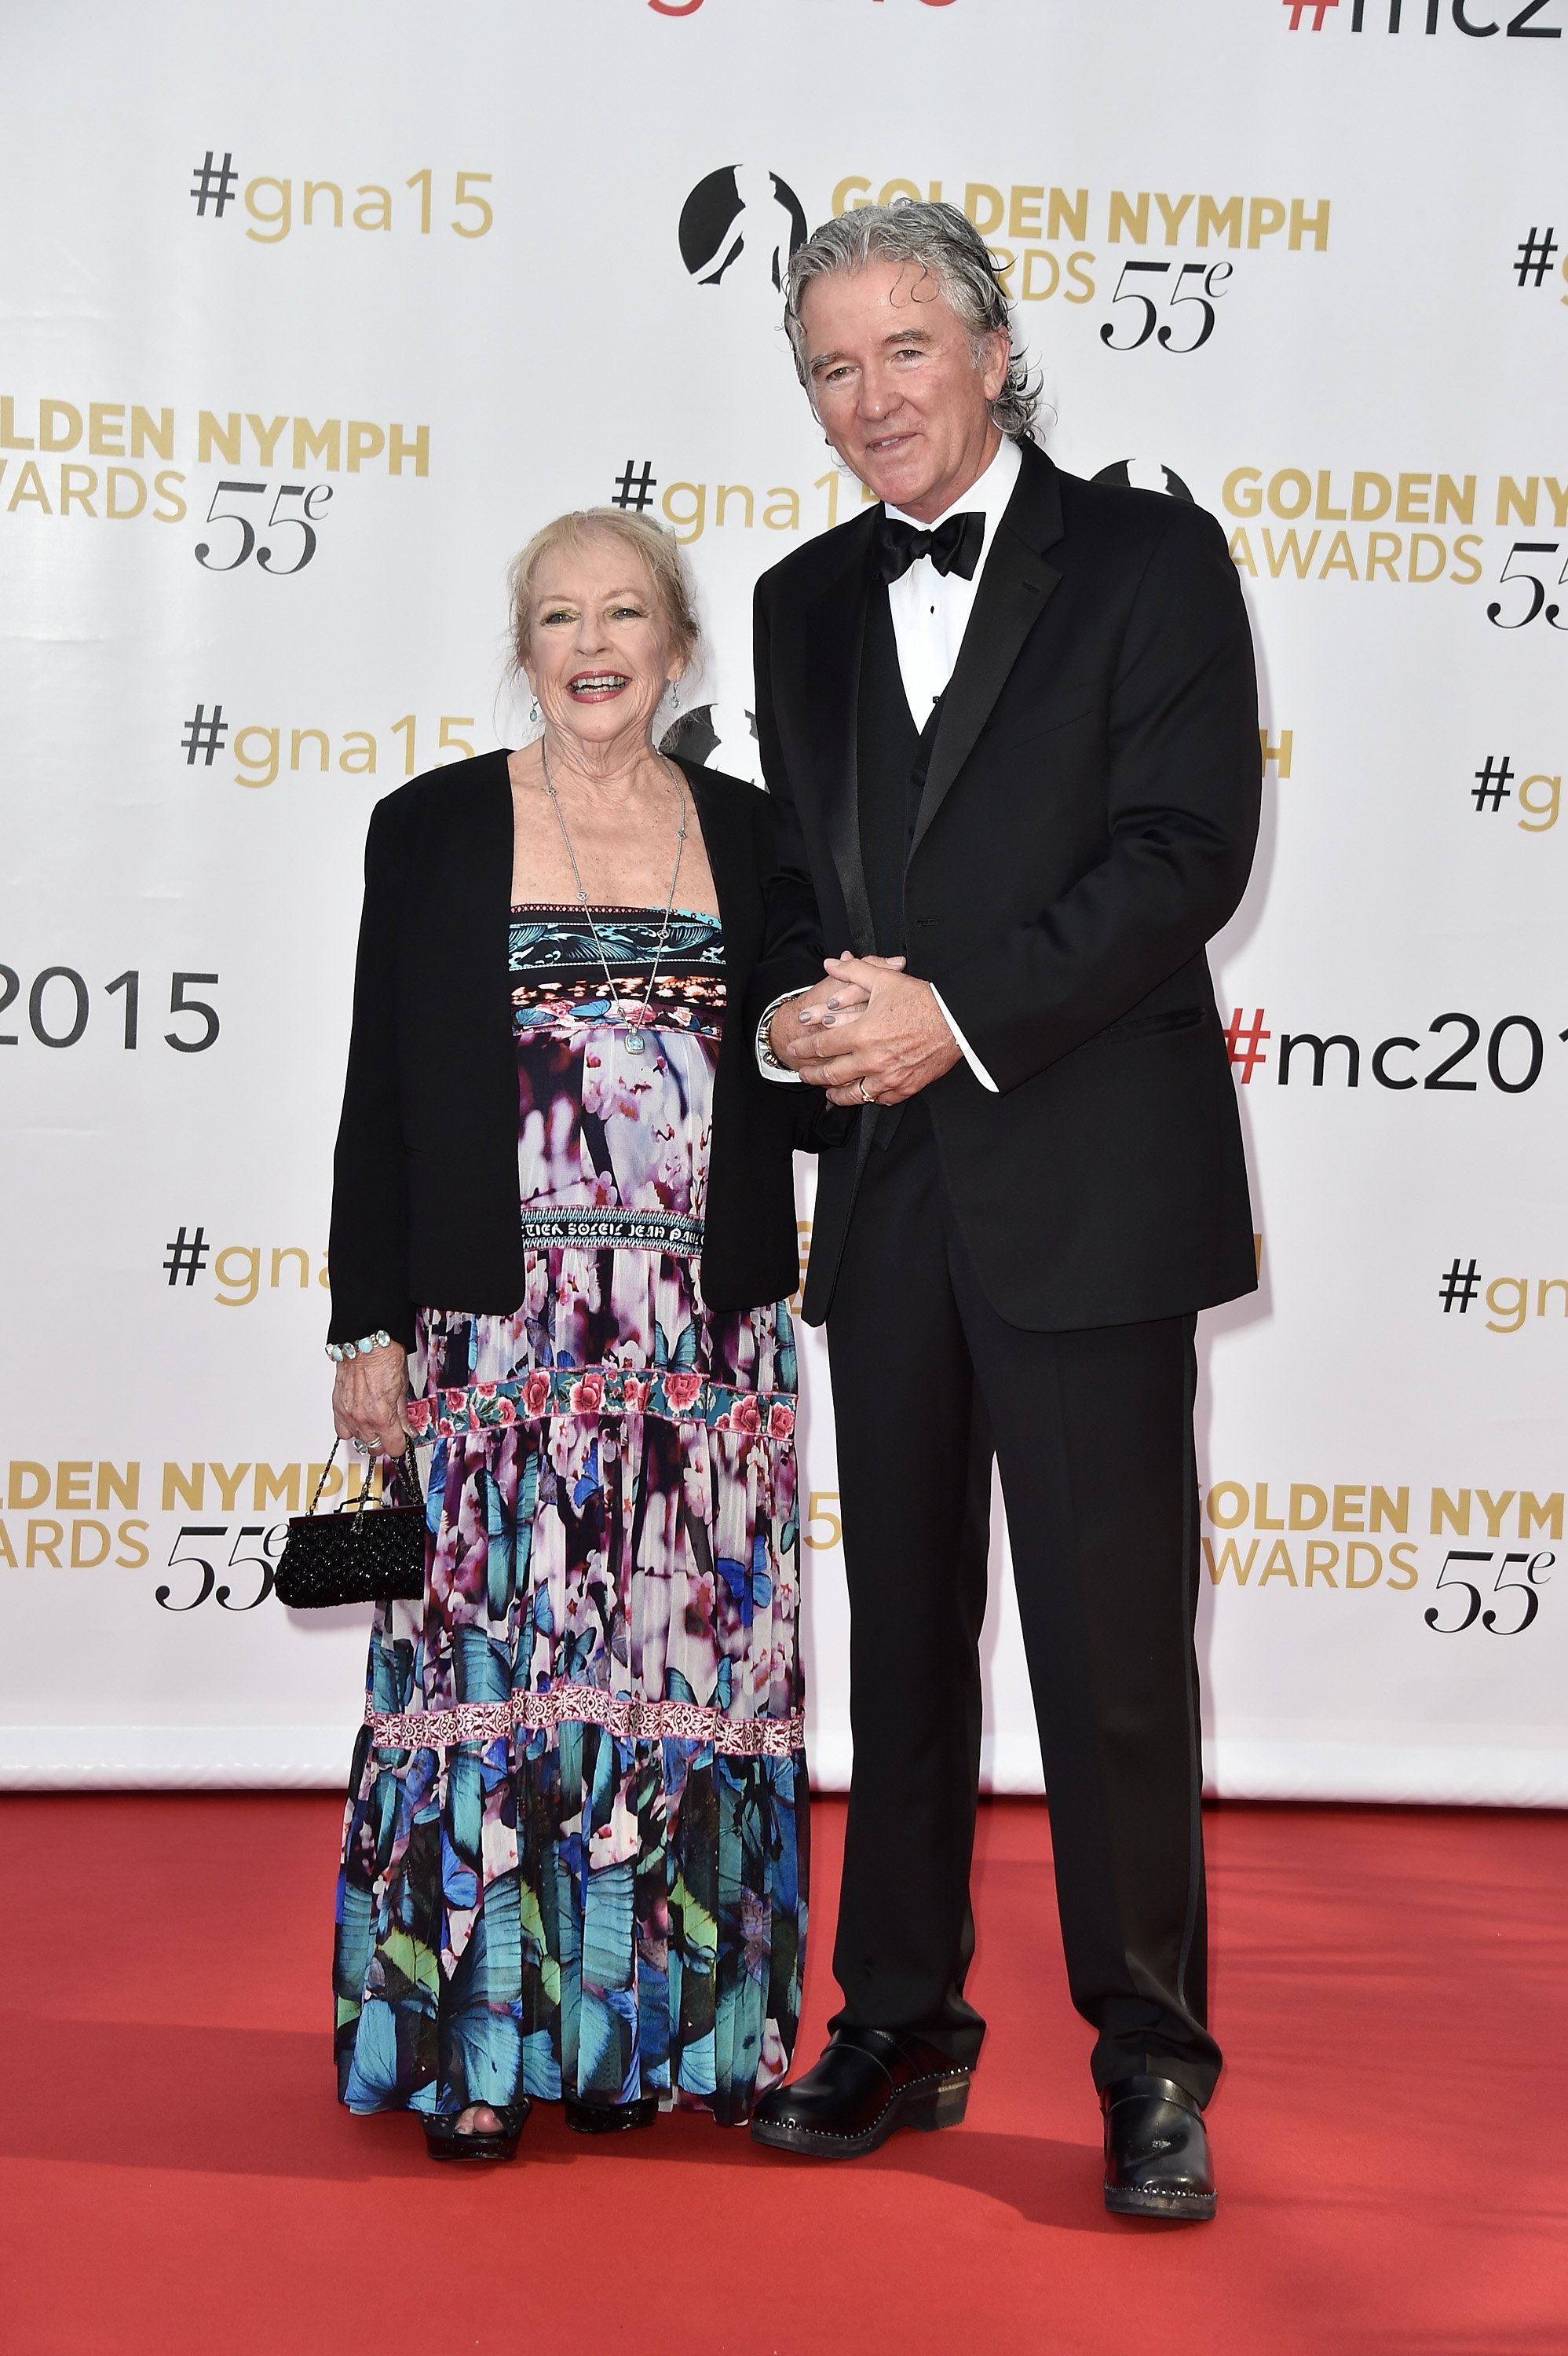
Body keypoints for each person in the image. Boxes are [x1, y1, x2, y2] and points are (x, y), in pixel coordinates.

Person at [746, 203, 1261, 2221]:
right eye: (830, 370)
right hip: (886, 1196)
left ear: (990, 347)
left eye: (900, 354)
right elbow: (793, 870)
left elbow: (1181, 852)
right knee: (904, 1646)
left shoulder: (1148, 556)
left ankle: (1150, 2059)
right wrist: (803, 1011)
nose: (869, 401)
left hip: (1087, 1187)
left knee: (1113, 1648)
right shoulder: (795, 600)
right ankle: (899, 2018)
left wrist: (955, 1018)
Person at [324, 509, 815, 2161]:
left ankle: (643, 2045)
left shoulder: (757, 837)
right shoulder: (439, 828)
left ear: (679, 649)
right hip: (496, 1341)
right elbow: (378, 1099)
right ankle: (473, 2050)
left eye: (624, 613)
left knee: (682, 1679)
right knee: (489, 1678)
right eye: (557, 616)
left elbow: (803, 1077)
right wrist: (365, 1324)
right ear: (523, 648)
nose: (591, 643)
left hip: (705, 1352)